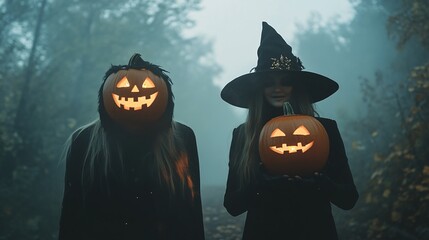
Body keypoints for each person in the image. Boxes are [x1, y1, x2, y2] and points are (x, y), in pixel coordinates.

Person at [221, 22, 359, 240]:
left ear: (296, 87)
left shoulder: (325, 130)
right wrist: (261, 185)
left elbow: (349, 198)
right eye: (269, 83)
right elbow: (232, 205)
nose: (278, 89)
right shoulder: (243, 135)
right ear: (260, 89)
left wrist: (320, 182)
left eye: (285, 82)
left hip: (316, 232)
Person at [58, 54, 205, 240]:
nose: (135, 91)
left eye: (145, 86)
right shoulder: (84, 140)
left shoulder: (182, 138)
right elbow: (72, 211)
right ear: (105, 97)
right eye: (125, 86)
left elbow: (191, 208)